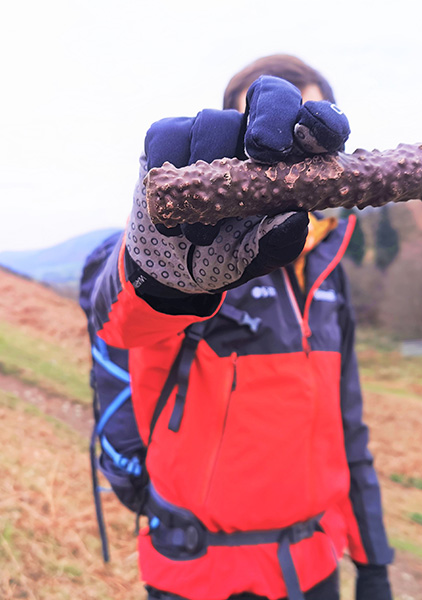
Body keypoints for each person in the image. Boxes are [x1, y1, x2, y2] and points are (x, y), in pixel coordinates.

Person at [79, 55, 393, 600]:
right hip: (199, 573)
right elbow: (117, 321)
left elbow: (349, 429)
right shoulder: (200, 256)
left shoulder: (330, 276)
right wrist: (160, 268)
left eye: (310, 128)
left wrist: (373, 563)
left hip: (316, 568)